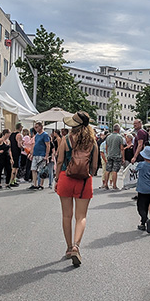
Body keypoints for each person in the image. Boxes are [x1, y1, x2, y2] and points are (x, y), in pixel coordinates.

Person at [55, 111, 98, 266]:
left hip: (65, 178)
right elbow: (94, 166)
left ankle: (68, 248)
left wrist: (56, 179)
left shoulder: (65, 140)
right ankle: (76, 246)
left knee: (67, 215)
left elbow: (59, 162)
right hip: (84, 181)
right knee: (81, 217)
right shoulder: (93, 142)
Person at [136, 146, 150, 234]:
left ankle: (146, 220)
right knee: (146, 205)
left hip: (141, 188)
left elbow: (134, 171)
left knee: (140, 207)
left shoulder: (141, 165)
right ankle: (142, 223)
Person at [29, 122, 51, 190]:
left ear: (40, 127)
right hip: (36, 154)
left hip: (42, 154)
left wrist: (46, 155)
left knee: (41, 170)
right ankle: (35, 184)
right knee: (33, 169)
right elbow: (34, 144)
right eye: (35, 127)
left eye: (37, 127)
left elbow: (48, 145)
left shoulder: (45, 135)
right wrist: (31, 154)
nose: (35, 128)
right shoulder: (37, 135)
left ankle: (41, 184)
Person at [105, 124, 125, 190]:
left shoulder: (108, 137)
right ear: (118, 130)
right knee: (114, 171)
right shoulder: (119, 137)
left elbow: (106, 147)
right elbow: (121, 148)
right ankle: (114, 185)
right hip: (117, 155)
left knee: (107, 170)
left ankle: (105, 184)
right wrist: (123, 158)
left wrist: (108, 154)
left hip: (110, 155)